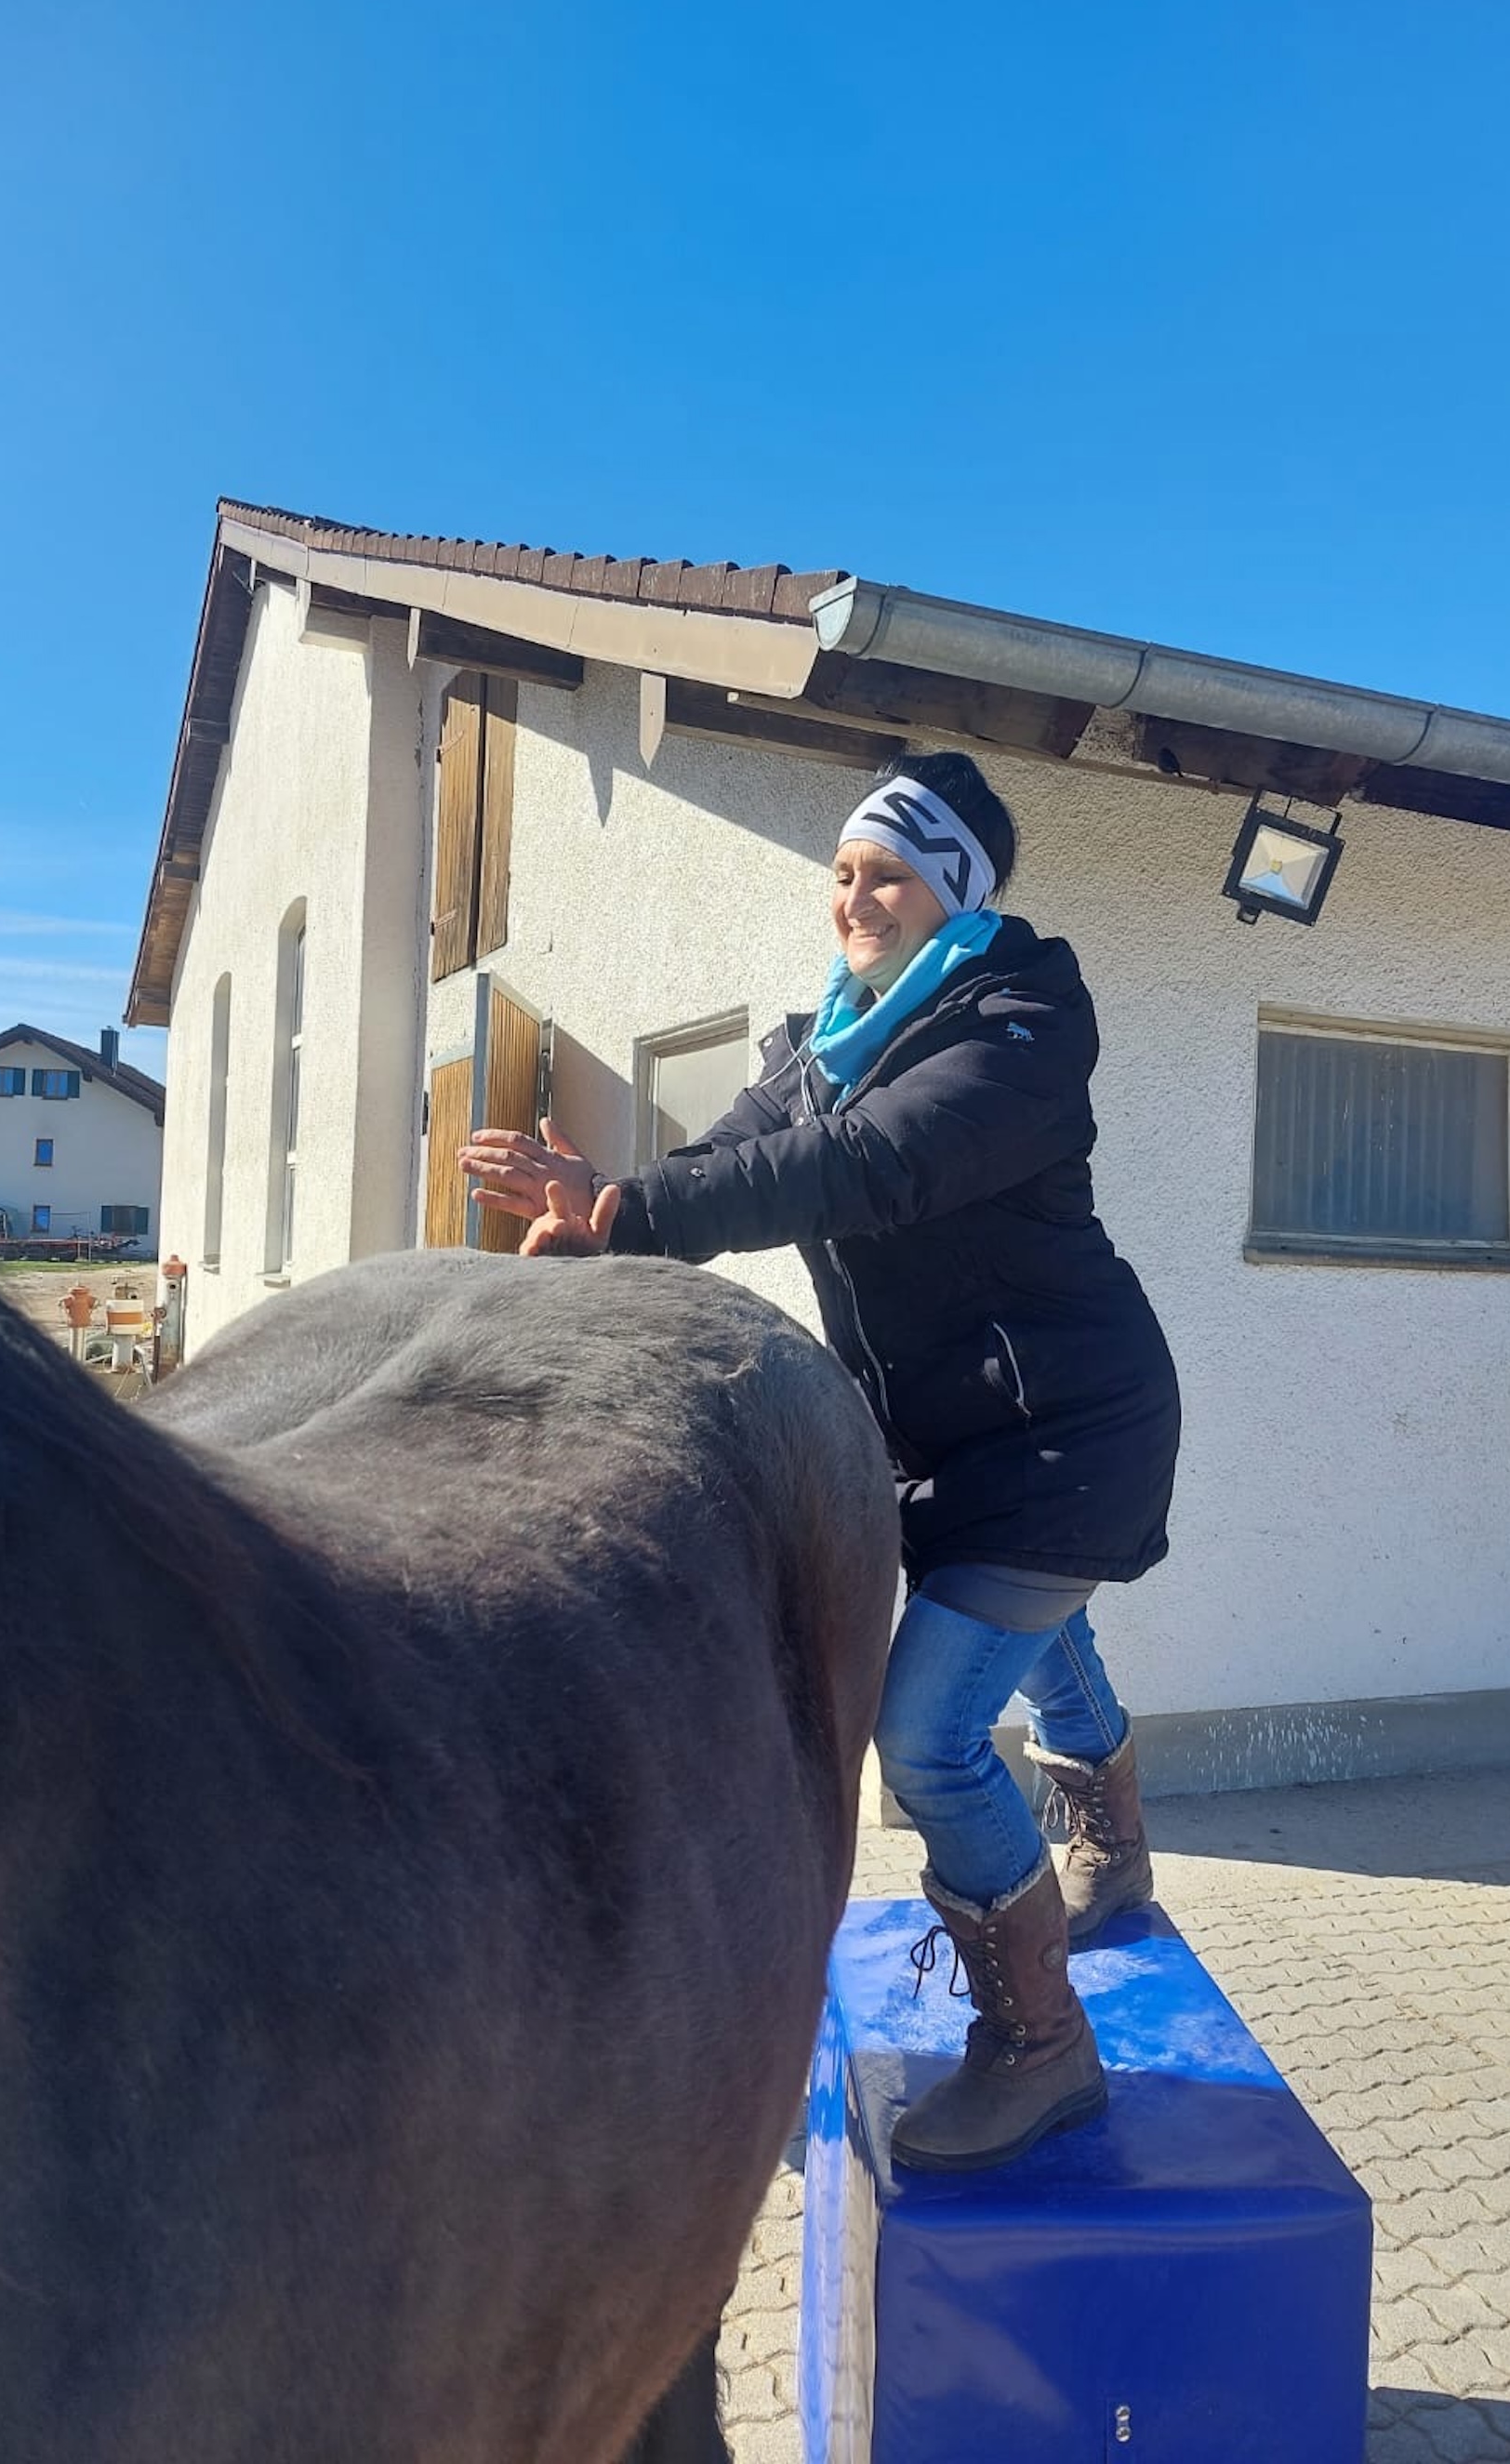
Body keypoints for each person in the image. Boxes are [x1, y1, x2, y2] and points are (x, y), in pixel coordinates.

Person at [459, 752, 1181, 2174]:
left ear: (956, 893)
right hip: (947, 1441)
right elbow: (740, 1152)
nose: (855, 897)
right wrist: (608, 1224)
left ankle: (1043, 2047)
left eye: (889, 873)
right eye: (844, 874)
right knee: (1036, 1631)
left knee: (926, 1733)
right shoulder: (821, 1039)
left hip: (1069, 1434)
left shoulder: (1023, 1022)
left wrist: (624, 1203)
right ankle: (1112, 1830)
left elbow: (867, 1167)